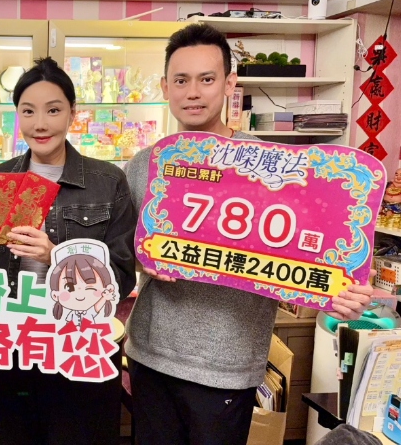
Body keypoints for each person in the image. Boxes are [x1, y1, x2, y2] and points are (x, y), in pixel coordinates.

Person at [123, 23, 375, 445]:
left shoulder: (271, 167)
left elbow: (307, 258)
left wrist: (340, 291)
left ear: (229, 84)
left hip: (228, 365)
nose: (193, 92)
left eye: (207, 79)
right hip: (150, 355)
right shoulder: (145, 164)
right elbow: (124, 252)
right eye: (181, 80)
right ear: (165, 86)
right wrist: (144, 259)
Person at [0, 57, 136, 445]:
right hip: (16, 347)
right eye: (28, 111)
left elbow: (122, 275)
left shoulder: (107, 181)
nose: (40, 124)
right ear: (17, 115)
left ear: (72, 113)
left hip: (80, 345)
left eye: (53, 110)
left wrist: (58, 257)